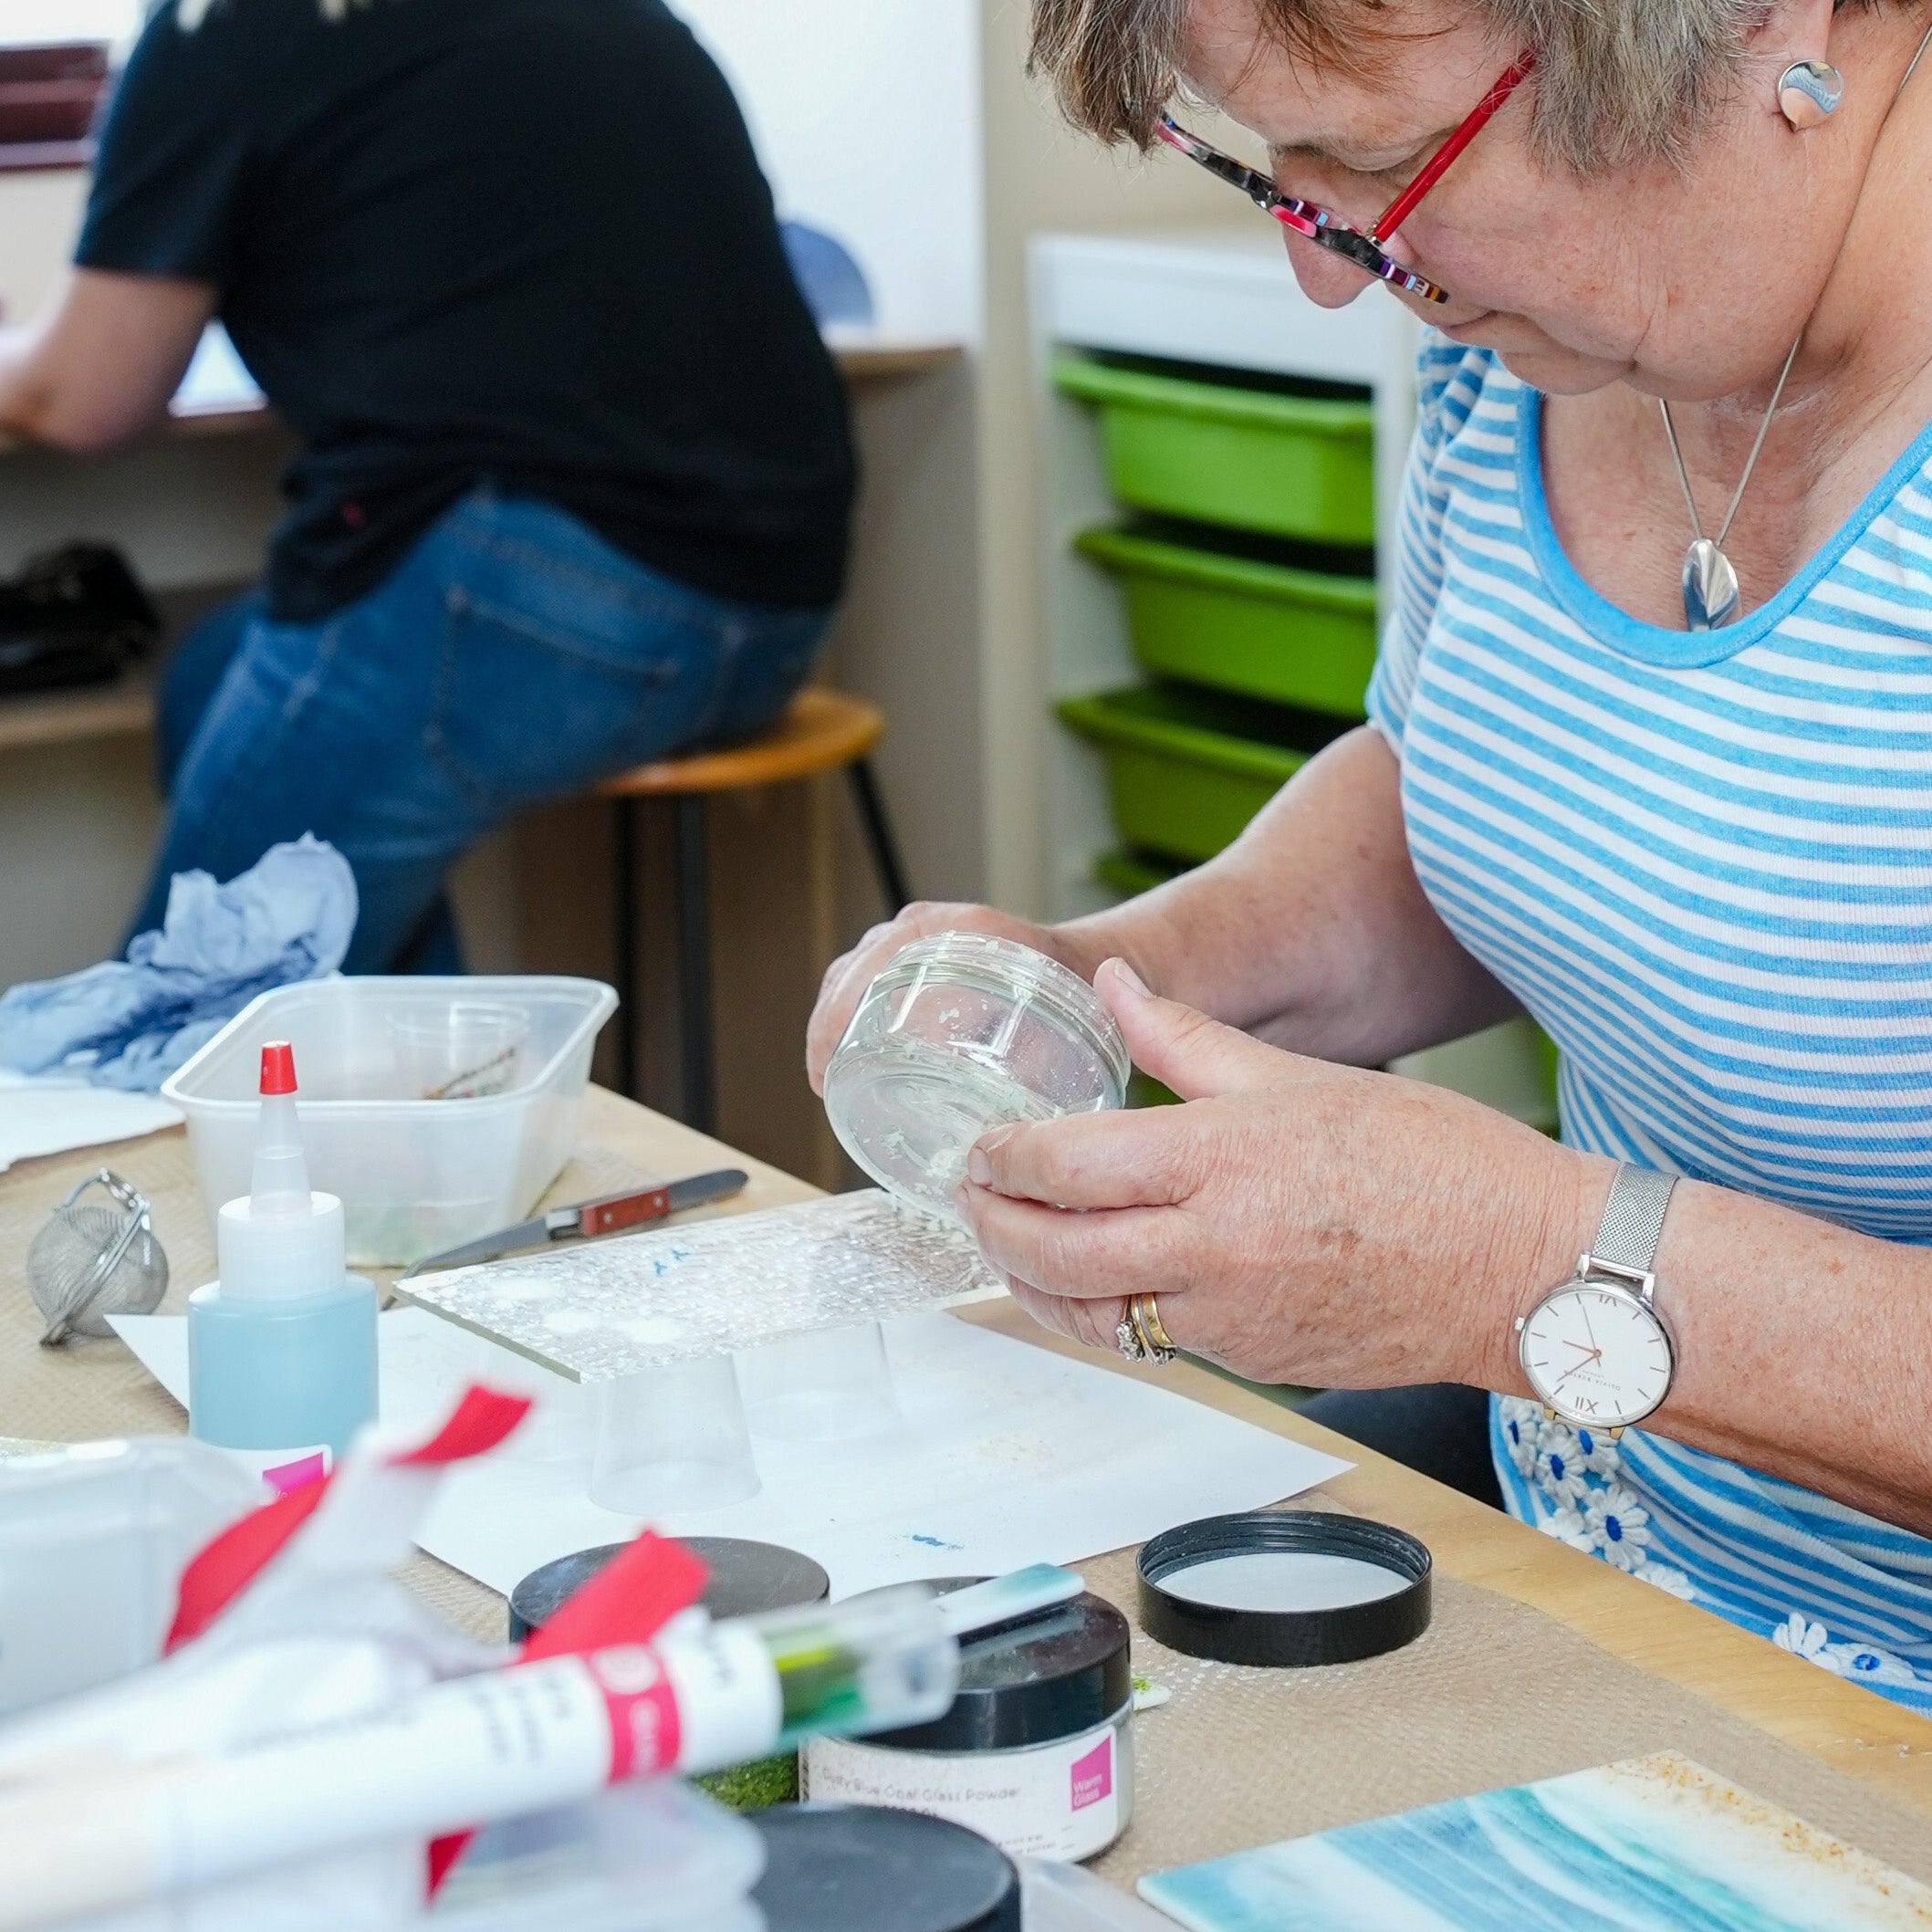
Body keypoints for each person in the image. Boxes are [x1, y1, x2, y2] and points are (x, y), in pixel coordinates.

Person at [809, 0, 1932, 1711]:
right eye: (1274, 171)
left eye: (1390, 167)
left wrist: (1521, 1266)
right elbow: (1486, 792)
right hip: (1597, 1558)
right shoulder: (1516, 334)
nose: (1331, 273)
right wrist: (1115, 980)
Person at [0, 0, 854, 973]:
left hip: (548, 608)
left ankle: (338, 1072)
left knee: (184, 1031)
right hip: (777, 610)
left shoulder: (225, 28)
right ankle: (403, 1081)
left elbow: (87, 397)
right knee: (208, 681)